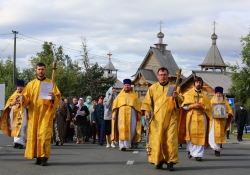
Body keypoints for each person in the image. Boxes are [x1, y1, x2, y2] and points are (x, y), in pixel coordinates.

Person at [141, 67, 183, 171]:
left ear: (168, 76)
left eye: (164, 75)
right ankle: (158, 161)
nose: (163, 77)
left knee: (170, 140)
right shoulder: (153, 88)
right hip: (157, 119)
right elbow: (147, 102)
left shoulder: (175, 88)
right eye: (161, 75)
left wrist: (176, 97)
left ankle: (170, 162)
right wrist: (146, 112)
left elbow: (181, 102)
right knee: (158, 140)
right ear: (158, 76)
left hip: (171, 118)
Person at [21, 63, 61, 166]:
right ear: (36, 70)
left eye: (42, 69)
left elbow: (57, 97)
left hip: (45, 115)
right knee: (35, 136)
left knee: (44, 135)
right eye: (39, 69)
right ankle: (38, 156)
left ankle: (44, 157)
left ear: (45, 70)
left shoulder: (50, 83)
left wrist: (53, 97)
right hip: (34, 114)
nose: (41, 71)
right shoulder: (30, 84)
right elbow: (25, 99)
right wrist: (22, 99)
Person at [179, 76, 212, 162]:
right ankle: (191, 150)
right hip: (192, 116)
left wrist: (202, 106)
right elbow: (184, 106)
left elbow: (209, 107)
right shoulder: (188, 93)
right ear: (194, 84)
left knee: (201, 134)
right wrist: (192, 105)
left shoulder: (205, 94)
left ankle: (199, 155)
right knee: (191, 134)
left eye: (200, 82)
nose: (198, 84)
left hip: (202, 116)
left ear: (202, 84)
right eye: (197, 82)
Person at [112, 79, 141, 151]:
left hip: (132, 114)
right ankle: (121, 145)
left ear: (130, 86)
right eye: (125, 85)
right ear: (123, 86)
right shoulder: (119, 96)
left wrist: (139, 114)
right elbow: (115, 106)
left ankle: (128, 144)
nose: (127, 86)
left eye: (128, 85)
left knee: (131, 128)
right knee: (121, 128)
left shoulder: (134, 96)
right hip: (121, 115)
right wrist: (114, 114)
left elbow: (138, 106)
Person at [0, 80, 27, 149]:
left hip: (22, 112)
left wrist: (24, 100)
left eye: (21, 86)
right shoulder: (14, 94)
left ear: (23, 87)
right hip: (14, 112)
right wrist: (12, 103)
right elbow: (8, 104)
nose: (20, 88)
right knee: (14, 126)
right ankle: (16, 142)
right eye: (18, 86)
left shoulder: (26, 94)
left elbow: (29, 103)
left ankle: (20, 142)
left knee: (21, 127)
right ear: (16, 87)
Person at [209, 86, 234, 156]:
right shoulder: (212, 101)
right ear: (215, 94)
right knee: (213, 135)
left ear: (222, 94)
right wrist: (212, 114)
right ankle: (215, 148)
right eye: (217, 93)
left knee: (220, 135)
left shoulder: (225, 101)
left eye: (220, 93)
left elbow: (230, 111)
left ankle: (218, 149)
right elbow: (208, 110)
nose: (218, 95)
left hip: (222, 122)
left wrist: (227, 114)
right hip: (213, 121)